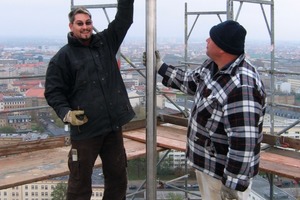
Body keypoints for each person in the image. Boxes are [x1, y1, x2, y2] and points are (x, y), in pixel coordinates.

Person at [144, 20, 266, 200]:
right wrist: (160, 67)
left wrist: (231, 187)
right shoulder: (213, 67)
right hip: (209, 167)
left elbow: (243, 143)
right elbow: (190, 81)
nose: (207, 40)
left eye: (212, 38)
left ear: (223, 48)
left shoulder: (241, 87)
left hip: (222, 176)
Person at [44, 0, 135, 199]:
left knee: (118, 178)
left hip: (112, 128)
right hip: (86, 130)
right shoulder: (63, 58)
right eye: (80, 23)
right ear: (71, 26)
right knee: (79, 184)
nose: (85, 27)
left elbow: (124, 19)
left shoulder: (106, 42)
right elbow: (53, 92)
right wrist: (66, 114)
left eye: (88, 22)